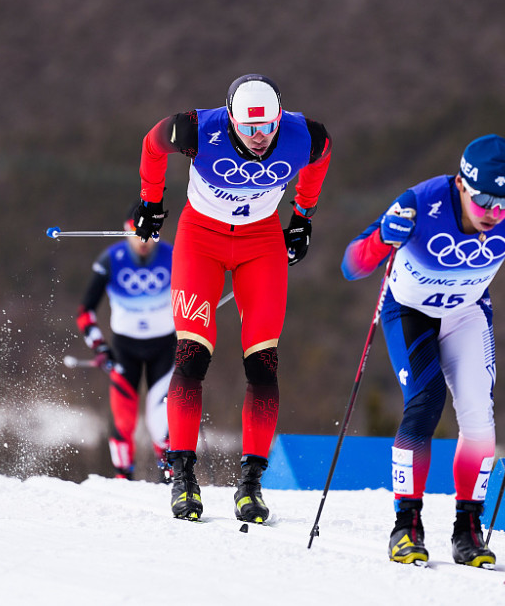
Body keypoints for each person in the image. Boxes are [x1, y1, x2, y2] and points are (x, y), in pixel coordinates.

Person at [341, 134, 505, 567]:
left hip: (466, 312)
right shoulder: (422, 202)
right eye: (482, 201)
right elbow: (353, 265)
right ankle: (406, 526)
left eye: (503, 202)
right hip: (409, 310)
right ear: (461, 184)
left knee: (479, 419)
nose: (493, 214)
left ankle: (468, 530)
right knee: (426, 403)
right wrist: (384, 238)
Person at [132, 74, 332, 522]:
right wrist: (150, 202)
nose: (259, 138)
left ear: (280, 118)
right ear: (231, 120)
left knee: (263, 363)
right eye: (247, 129)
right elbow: (151, 145)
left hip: (261, 244)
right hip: (200, 239)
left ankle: (251, 485)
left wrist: (303, 215)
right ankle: (182, 477)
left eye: (267, 128)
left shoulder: (306, 136)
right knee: (191, 356)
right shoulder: (195, 129)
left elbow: (321, 158)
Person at [76, 204, 176, 482]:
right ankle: (123, 478)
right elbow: (85, 312)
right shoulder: (111, 259)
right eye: (137, 234)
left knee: (162, 418)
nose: (143, 242)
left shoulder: (174, 256)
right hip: (124, 349)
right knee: (123, 419)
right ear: (125, 230)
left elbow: (195, 293)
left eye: (150, 235)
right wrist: (100, 347)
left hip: (164, 348)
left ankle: (170, 476)